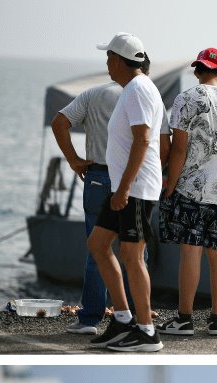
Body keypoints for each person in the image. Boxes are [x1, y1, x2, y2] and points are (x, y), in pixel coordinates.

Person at [160, 47, 217, 337]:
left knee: (191, 253)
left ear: (199, 71)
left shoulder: (186, 99)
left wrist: (169, 187)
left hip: (190, 190)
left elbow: (179, 150)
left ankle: (185, 318)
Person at [86, 32, 165, 352]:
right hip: (126, 186)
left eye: (109, 58)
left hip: (135, 188)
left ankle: (147, 332)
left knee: (132, 256)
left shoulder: (138, 89)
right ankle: (122, 318)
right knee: (98, 244)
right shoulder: (134, 89)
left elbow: (143, 140)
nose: (106, 64)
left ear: (119, 60)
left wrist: (124, 188)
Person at [51, 79, 127, 335]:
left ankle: (89, 319)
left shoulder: (94, 94)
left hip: (98, 177)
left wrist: (73, 160)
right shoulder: (143, 93)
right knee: (136, 250)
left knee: (97, 248)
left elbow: (59, 122)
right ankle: (135, 316)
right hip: (131, 177)